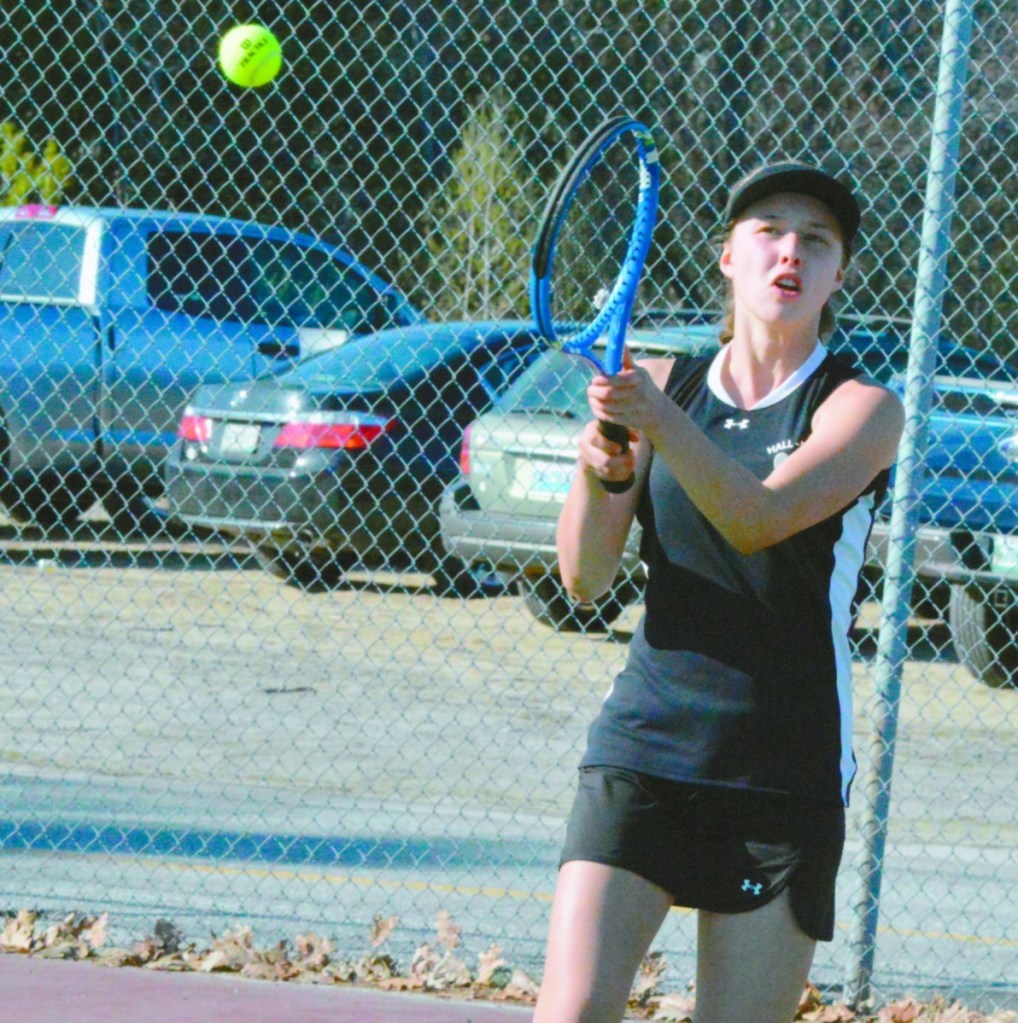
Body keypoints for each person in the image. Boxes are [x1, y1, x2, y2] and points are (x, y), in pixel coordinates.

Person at [532, 162, 905, 1023]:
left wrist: (660, 425)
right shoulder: (662, 384)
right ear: (728, 257)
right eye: (769, 231)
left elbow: (759, 518)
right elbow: (584, 580)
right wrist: (602, 468)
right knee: (571, 1012)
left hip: (781, 768)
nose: (791, 252)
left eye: (817, 241)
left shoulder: (860, 409)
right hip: (643, 749)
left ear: (837, 275)